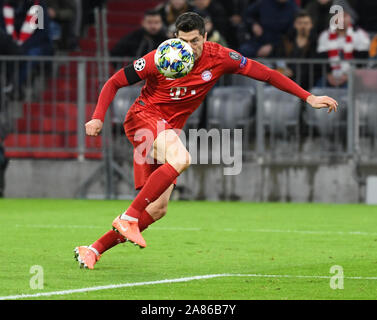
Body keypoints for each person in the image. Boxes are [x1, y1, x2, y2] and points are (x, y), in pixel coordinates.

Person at [74, 12, 338, 269]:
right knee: (182, 159)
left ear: (205, 36)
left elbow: (266, 74)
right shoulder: (161, 57)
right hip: (144, 118)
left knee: (157, 209)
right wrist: (97, 117)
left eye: (195, 41)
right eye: (183, 41)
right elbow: (114, 82)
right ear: (174, 37)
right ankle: (129, 218)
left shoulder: (220, 57)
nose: (188, 47)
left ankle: (94, 249)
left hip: (168, 130)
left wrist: (308, 97)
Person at [316, 9, 370, 87]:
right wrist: (329, 75)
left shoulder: (360, 35)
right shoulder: (325, 35)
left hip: (353, 76)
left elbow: (362, 60)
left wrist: (348, 75)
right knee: (319, 87)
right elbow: (321, 59)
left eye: (344, 16)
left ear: (350, 18)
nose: (341, 20)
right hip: (329, 77)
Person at [274, 10, 320, 90]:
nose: (303, 26)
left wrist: (294, 73)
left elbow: (315, 68)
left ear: (311, 25)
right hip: (287, 82)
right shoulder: (286, 42)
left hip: (308, 84)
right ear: (295, 25)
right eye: (300, 23)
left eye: (306, 23)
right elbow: (279, 58)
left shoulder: (316, 44)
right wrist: (283, 69)